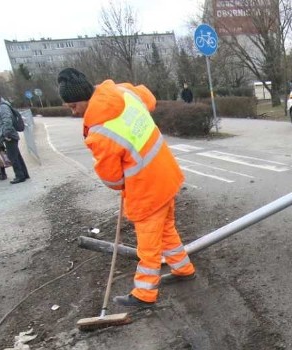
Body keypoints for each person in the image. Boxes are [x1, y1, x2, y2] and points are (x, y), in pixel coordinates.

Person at [58, 67, 196, 308]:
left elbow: (111, 179)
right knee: (166, 230)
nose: (73, 111)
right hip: (166, 175)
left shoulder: (100, 131)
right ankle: (183, 268)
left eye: (73, 106)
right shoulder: (122, 92)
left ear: (85, 97)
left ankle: (144, 294)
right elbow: (149, 98)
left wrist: (124, 183)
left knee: (148, 244)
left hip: (147, 189)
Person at [0, 90, 30, 184]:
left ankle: (20, 176)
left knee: (12, 157)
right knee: (16, 156)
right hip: (9, 134)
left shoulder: (2, 107)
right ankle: (24, 174)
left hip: (9, 135)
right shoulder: (0, 106)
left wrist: (6, 134)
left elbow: (7, 121)